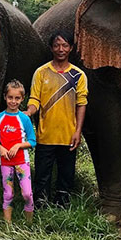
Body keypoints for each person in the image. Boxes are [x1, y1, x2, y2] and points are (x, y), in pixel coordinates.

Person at [26, 30, 88, 208]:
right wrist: (28, 112)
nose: (60, 49)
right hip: (45, 135)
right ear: (51, 48)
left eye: (64, 45)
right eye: (57, 45)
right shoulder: (41, 73)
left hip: (68, 135)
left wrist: (78, 131)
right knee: (42, 173)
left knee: (66, 173)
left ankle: (62, 205)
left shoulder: (78, 76)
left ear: (71, 48)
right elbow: (34, 99)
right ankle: (41, 205)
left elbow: (81, 104)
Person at [0, 80, 37, 223]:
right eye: (10, 97)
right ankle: (8, 227)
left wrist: (18, 146)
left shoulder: (24, 119)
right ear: (5, 97)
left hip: (22, 161)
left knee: (27, 194)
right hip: (5, 162)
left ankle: (29, 223)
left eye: (17, 98)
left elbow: (32, 141)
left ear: (22, 99)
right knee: (8, 193)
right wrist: (1, 148)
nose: (13, 101)